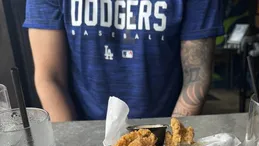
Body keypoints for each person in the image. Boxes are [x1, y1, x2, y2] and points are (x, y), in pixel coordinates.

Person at [24, 0, 224, 122]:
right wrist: (76, 145)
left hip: (163, 123)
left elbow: (195, 76)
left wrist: (171, 143)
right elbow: (50, 77)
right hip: (82, 121)